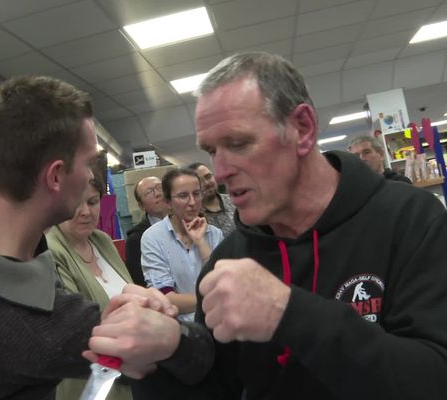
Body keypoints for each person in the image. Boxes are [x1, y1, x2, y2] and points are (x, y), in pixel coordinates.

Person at [91, 52, 447, 399]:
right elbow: (216, 387)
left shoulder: (412, 220)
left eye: (238, 143)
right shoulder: (230, 259)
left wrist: (288, 312)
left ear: (302, 128)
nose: (219, 172)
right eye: (212, 150)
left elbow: (433, 378)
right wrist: (163, 354)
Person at [0, 75, 181, 399]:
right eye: (88, 163)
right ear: (55, 175)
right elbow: (178, 364)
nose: (90, 176)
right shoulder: (39, 327)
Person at [46, 175, 134, 400]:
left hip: (126, 370)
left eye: (93, 202)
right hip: (86, 380)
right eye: (76, 203)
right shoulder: (49, 251)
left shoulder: (102, 240)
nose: (86, 211)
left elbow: (131, 294)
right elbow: (75, 324)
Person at [141, 168, 223, 321]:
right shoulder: (153, 238)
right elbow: (165, 298)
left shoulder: (215, 234)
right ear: (168, 203)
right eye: (183, 196)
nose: (192, 202)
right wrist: (212, 299)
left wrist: (200, 242)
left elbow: (221, 283)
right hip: (179, 330)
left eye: (197, 194)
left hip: (217, 322)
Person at [125, 176, 168, 286]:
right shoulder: (136, 238)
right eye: (149, 192)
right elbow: (140, 281)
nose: (158, 194)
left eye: (160, 187)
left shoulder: (188, 223)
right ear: (141, 206)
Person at [187, 162, 236, 236]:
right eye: (199, 181)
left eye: (208, 176)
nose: (207, 183)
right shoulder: (193, 213)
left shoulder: (234, 202)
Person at [347, 135, 412, 183]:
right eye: (356, 155)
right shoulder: (355, 189)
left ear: (381, 154)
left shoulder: (401, 182)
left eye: (366, 152)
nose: (361, 158)